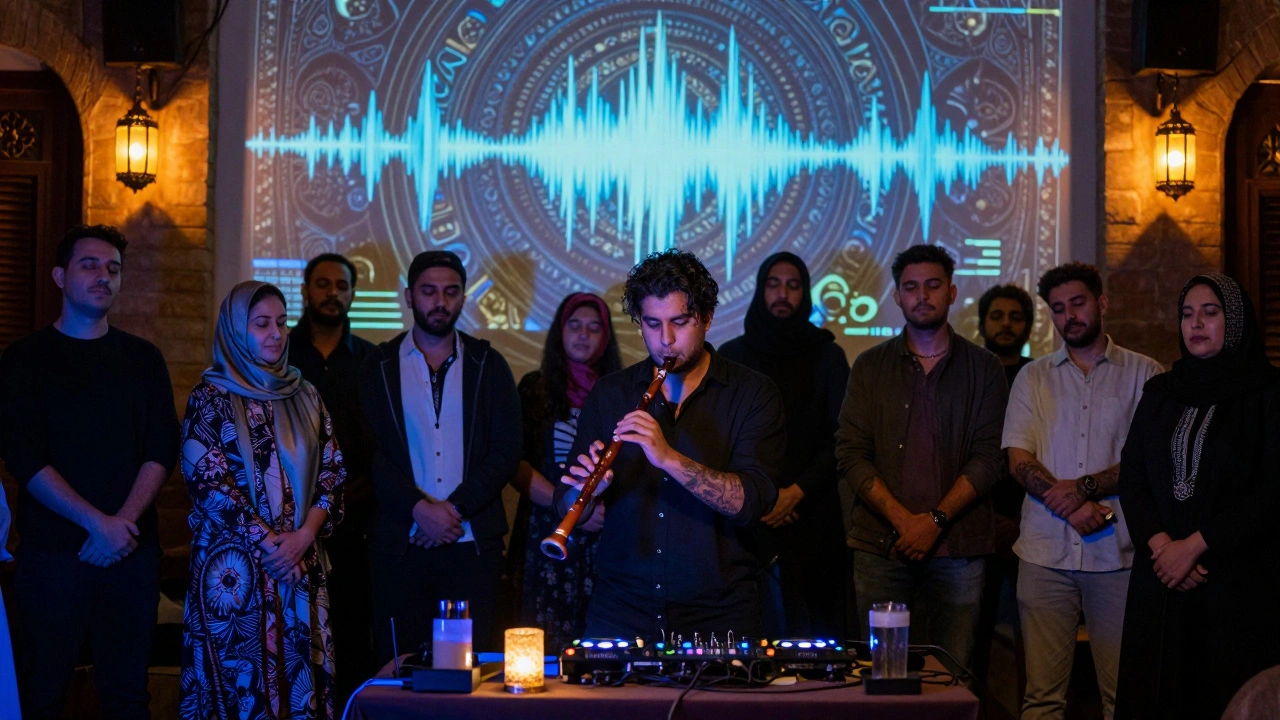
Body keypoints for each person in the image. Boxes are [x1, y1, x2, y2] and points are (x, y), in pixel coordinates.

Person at [555, 249, 785, 640]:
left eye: (680, 322)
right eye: (652, 323)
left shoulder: (752, 393)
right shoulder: (610, 393)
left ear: (707, 318)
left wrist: (668, 458)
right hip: (620, 611)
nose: (666, 339)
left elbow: (751, 503)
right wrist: (585, 495)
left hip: (719, 615)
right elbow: (567, 507)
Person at [0, 224, 180, 720]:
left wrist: (121, 524)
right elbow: (24, 457)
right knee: (42, 695)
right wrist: (96, 524)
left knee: (128, 698)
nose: (104, 276)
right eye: (90, 265)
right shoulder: (23, 359)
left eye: (113, 269)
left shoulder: (143, 359)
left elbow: (161, 449)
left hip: (130, 553)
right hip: (52, 555)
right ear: (60, 276)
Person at [1115, 273, 1280, 720]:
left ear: (1236, 322)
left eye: (1210, 313)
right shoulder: (1160, 392)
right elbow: (1133, 477)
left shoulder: (1268, 394)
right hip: (1161, 580)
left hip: (1233, 581)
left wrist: (1193, 547)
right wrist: (1163, 548)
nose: (1196, 324)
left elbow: (1273, 491)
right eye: (1187, 314)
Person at [835, 244, 1006, 672]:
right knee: (880, 673)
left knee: (953, 674)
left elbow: (989, 457)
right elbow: (850, 453)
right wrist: (904, 521)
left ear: (952, 292)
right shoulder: (869, 366)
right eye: (911, 287)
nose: (922, 296)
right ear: (896, 296)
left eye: (933, 285)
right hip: (880, 544)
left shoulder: (984, 368)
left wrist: (934, 522)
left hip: (959, 546)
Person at [179, 281, 345, 719]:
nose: (276, 333)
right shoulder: (209, 398)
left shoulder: (306, 395)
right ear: (236, 330)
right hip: (235, 576)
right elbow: (209, 483)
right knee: (241, 692)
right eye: (261, 324)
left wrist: (302, 539)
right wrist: (275, 546)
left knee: (299, 693)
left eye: (282, 322)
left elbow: (332, 472)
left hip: (299, 566)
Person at [1003, 264, 1163, 719]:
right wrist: (1072, 506)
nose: (1069, 316)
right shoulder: (1033, 377)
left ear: (1101, 303)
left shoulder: (1145, 373)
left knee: (1123, 697)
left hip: (1117, 555)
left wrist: (1085, 487)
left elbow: (1149, 461)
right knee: (1041, 699)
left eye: (1078, 303)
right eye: (1058, 309)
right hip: (1044, 555)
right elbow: (1018, 457)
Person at [360, 250, 521, 661]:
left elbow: (506, 450)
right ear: (409, 296)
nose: (440, 302)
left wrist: (453, 510)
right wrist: (418, 509)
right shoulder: (378, 365)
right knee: (400, 670)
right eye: (429, 291)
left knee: (470, 669)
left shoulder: (488, 364)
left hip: (472, 546)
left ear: (463, 297)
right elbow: (368, 452)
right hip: (401, 545)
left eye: (451, 292)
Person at [719, 252, 849, 638]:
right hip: (746, 518)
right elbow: (721, 438)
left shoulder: (828, 355)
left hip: (813, 515)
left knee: (816, 637)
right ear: (760, 291)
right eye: (773, 284)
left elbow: (842, 435)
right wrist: (763, 499)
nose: (782, 294)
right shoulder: (732, 357)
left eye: (793, 286)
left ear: (805, 293)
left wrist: (795, 493)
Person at [507, 292, 622, 653]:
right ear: (560, 332)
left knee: (602, 643)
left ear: (606, 336)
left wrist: (595, 512)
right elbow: (516, 463)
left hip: (605, 530)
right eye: (575, 325)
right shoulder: (534, 387)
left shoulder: (621, 393)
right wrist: (570, 509)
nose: (583, 335)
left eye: (594, 327)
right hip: (545, 527)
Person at [288, 253, 377, 703]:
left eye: (341, 286)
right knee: (293, 639)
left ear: (353, 294)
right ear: (306, 290)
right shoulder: (280, 352)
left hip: (355, 520)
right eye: (323, 284)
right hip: (287, 522)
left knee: (352, 637)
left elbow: (381, 444)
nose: (332, 294)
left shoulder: (371, 360)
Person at [971, 282, 1037, 697]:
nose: (1006, 324)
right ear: (982, 324)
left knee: (1034, 642)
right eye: (997, 316)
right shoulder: (969, 374)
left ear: (1028, 325)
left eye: (1016, 317)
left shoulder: (1040, 376)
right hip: (975, 521)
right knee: (971, 640)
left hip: (1032, 523)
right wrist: (988, 518)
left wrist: (1019, 521)